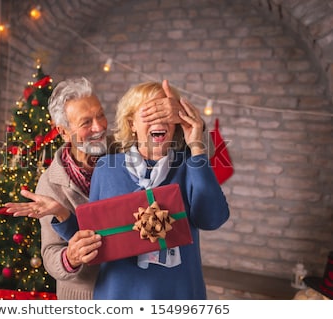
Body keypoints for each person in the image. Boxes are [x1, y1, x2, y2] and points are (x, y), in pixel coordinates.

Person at [4, 77, 190, 299]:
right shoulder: (50, 184)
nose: (99, 126)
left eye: (100, 115)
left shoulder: (125, 146)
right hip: (84, 295)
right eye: (86, 122)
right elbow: (51, 253)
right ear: (63, 131)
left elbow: (183, 147)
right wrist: (70, 257)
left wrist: (180, 114)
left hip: (130, 288)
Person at [50, 80, 230, 299]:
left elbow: (212, 219)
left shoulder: (190, 164)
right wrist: (61, 214)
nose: (159, 121)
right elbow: (93, 237)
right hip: (118, 296)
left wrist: (196, 145)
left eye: (165, 113)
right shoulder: (107, 168)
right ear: (131, 123)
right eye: (149, 114)